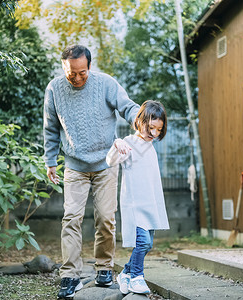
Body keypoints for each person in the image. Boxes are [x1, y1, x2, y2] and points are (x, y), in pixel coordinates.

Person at [43, 44, 140, 299]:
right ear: (64, 68)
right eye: (71, 73)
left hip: (106, 163)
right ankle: (70, 275)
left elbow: (127, 107)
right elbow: (51, 127)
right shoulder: (54, 88)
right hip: (74, 165)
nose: (76, 78)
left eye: (82, 73)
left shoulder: (106, 84)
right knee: (71, 219)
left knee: (106, 219)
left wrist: (142, 119)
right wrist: (50, 160)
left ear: (89, 66)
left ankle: (104, 267)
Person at [105, 100, 169, 294]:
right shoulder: (130, 142)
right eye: (151, 128)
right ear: (140, 121)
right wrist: (117, 143)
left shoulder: (149, 147)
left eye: (159, 130)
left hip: (149, 203)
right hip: (135, 204)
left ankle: (125, 272)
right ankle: (137, 277)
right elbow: (111, 160)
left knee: (148, 244)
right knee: (142, 242)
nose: (155, 134)